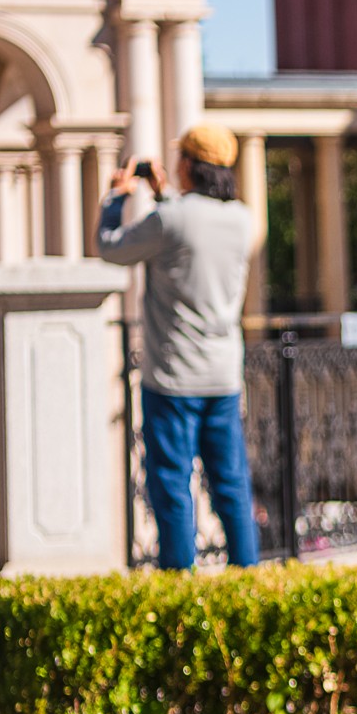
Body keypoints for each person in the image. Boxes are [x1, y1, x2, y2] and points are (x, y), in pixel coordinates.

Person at [98, 123, 260, 571]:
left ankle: (179, 587)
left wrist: (117, 196)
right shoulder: (242, 218)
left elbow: (111, 248)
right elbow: (191, 235)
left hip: (172, 379)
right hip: (223, 375)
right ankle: (250, 578)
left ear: (188, 164)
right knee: (231, 486)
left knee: (171, 486)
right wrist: (166, 196)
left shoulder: (170, 218)